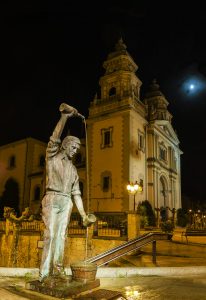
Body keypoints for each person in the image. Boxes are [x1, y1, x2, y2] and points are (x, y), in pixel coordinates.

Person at [39, 103, 89, 282]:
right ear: (66, 145)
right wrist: (65, 117)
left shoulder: (74, 170)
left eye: (77, 149)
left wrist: (83, 214)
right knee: (50, 234)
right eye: (74, 147)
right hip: (52, 198)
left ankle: (57, 269)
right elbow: (54, 138)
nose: (76, 151)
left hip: (66, 201)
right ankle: (44, 273)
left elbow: (77, 194)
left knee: (61, 236)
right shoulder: (52, 157)